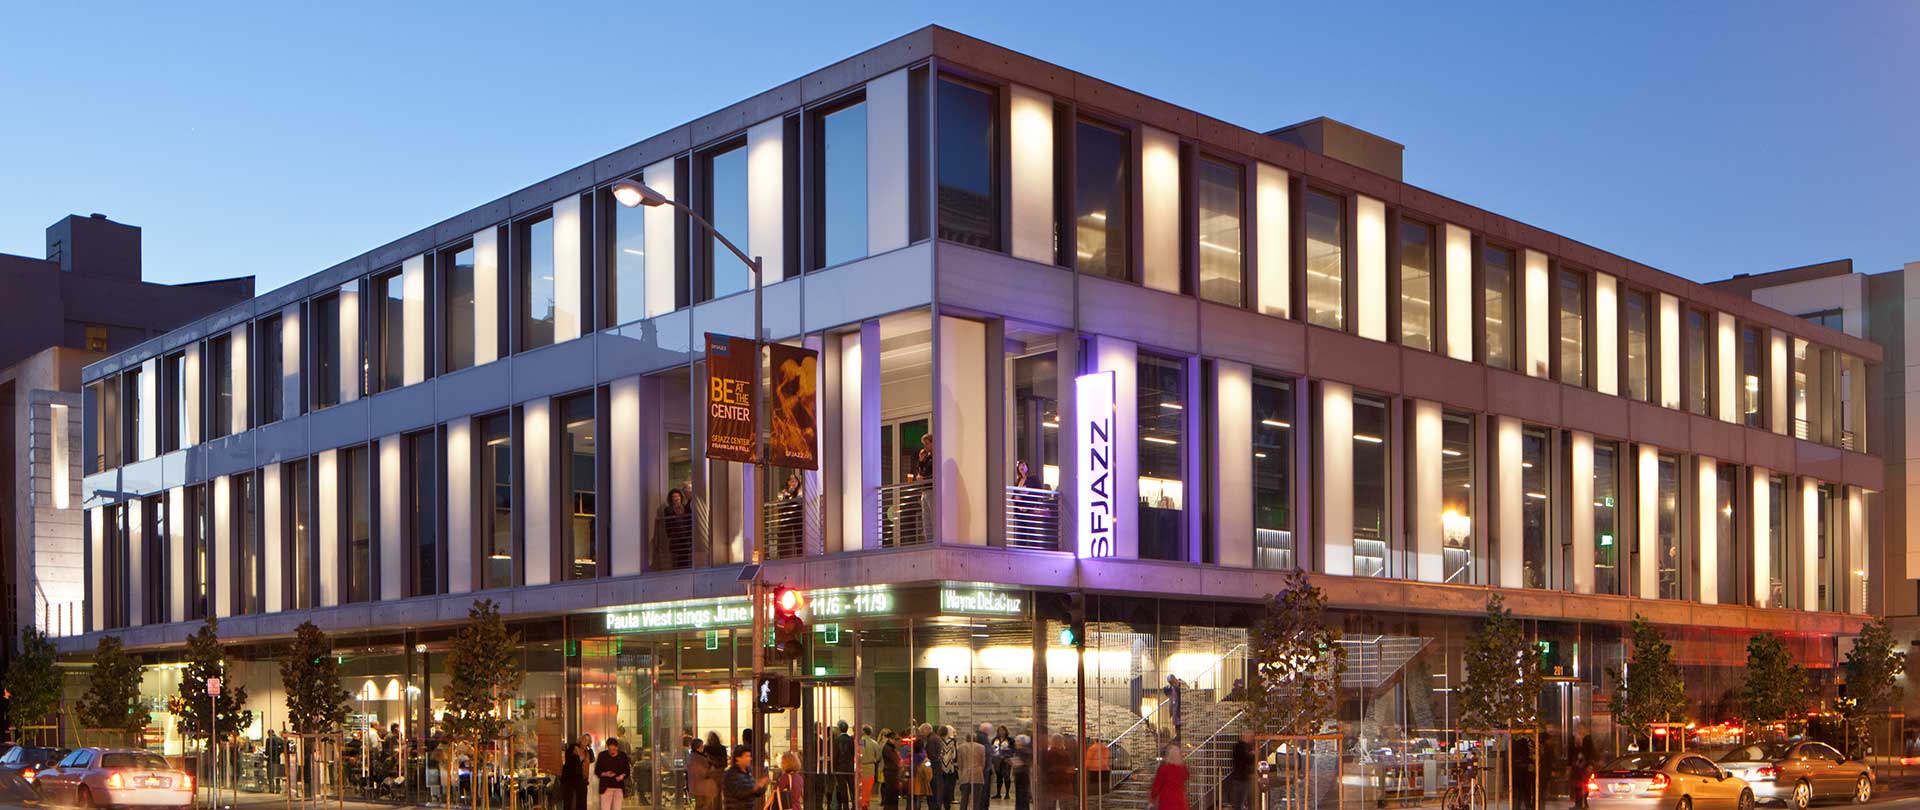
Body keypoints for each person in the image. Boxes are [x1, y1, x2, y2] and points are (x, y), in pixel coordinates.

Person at [724, 745, 770, 810]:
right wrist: (756, 787)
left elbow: (755, 793)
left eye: (749, 756)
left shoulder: (748, 772)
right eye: (746, 756)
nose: (749, 759)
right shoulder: (731, 774)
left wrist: (763, 786)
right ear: (738, 758)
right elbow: (739, 793)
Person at [1147, 744, 1189, 810]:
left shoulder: (1163, 769)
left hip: (1166, 799)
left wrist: (1152, 798)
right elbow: (1186, 777)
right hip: (1180, 799)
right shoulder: (1183, 769)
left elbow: (1156, 786)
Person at [595, 738, 632, 810]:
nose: (612, 752)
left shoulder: (622, 756)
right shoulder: (602, 755)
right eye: (610, 750)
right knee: (605, 808)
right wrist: (605, 774)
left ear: (617, 747)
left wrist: (622, 776)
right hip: (606, 787)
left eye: (614, 750)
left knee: (617, 808)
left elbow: (627, 771)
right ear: (607, 747)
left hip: (618, 787)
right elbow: (597, 771)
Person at [1222, 732, 1255, 810]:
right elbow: (1244, 759)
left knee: (1240, 800)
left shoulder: (1244, 746)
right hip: (1241, 777)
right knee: (1239, 800)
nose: (1251, 738)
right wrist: (1252, 755)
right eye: (1250, 736)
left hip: (1242, 776)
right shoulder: (1240, 747)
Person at [957, 730, 987, 810]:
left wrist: (962, 772)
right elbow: (983, 763)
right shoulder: (981, 747)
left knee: (964, 799)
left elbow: (960, 764)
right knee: (976, 800)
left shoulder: (960, 747)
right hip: (977, 775)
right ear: (975, 738)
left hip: (965, 775)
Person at [689, 735, 720, 810]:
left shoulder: (696, 756)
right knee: (704, 805)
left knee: (702, 805)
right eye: (701, 745)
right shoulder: (698, 758)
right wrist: (712, 770)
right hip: (703, 787)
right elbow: (703, 772)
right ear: (698, 747)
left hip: (699, 786)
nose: (703, 747)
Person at [832, 720, 857, 810]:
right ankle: (854, 805)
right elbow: (854, 753)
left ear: (839, 729)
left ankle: (845, 805)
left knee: (843, 788)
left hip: (840, 767)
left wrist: (834, 768)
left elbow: (835, 755)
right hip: (850, 767)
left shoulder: (836, 740)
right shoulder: (851, 739)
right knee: (852, 787)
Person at [561, 736, 590, 810]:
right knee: (569, 801)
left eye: (587, 740)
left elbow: (592, 759)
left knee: (582, 801)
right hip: (570, 778)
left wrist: (589, 748)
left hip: (582, 779)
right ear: (580, 740)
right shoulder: (573, 748)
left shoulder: (587, 752)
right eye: (583, 739)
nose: (585, 741)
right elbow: (569, 760)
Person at [860, 725, 883, 810]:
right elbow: (879, 756)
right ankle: (866, 803)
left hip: (861, 766)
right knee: (868, 786)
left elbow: (859, 753)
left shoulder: (861, 741)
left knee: (861, 786)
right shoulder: (874, 743)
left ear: (863, 731)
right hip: (871, 766)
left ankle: (862, 803)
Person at [880, 729, 904, 810]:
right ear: (890, 739)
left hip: (892, 773)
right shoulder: (888, 749)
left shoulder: (890, 748)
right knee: (891, 793)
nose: (896, 741)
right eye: (895, 739)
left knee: (893, 793)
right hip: (890, 773)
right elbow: (895, 760)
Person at [1009, 735, 1032, 810]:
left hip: (1022, 773)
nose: (1016, 742)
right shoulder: (1021, 750)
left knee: (1022, 793)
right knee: (1021, 793)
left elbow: (1026, 762)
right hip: (1020, 773)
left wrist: (1016, 762)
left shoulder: (1023, 751)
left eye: (1017, 741)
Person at [989, 727, 1013, 800]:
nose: (1001, 732)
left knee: (1007, 777)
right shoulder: (995, 739)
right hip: (997, 761)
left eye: (1003, 730)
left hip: (1006, 760)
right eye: (999, 731)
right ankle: (998, 793)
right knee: (999, 777)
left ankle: (1007, 793)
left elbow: (1013, 749)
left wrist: (1007, 754)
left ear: (1006, 731)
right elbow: (991, 749)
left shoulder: (1010, 740)